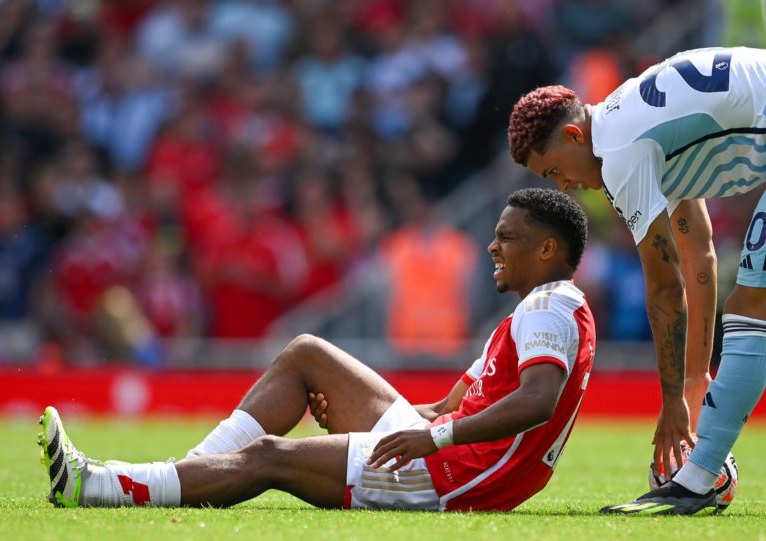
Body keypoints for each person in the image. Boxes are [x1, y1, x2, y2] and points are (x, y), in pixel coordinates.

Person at [37, 188, 596, 512]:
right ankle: (188, 473)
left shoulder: (550, 306)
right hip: (448, 455)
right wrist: (404, 428)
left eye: (508, 236)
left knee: (269, 457)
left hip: (451, 475)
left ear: (548, 248)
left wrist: (433, 437)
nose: (493, 245)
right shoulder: (536, 310)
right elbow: (443, 410)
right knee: (308, 353)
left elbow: (536, 401)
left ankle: (99, 486)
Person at [508, 46, 766, 515]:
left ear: (572, 134)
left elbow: (665, 287)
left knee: (753, 304)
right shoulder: (629, 115)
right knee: (753, 298)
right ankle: (700, 475)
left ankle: (698, 478)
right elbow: (698, 251)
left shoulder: (620, 153)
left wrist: (672, 407)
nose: (563, 186)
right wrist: (693, 378)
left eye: (554, 171)